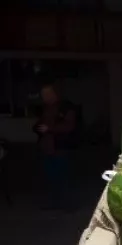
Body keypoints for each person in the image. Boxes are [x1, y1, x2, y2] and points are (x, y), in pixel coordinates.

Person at [33, 79, 78, 210]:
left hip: (61, 148)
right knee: (51, 178)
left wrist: (50, 129)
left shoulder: (67, 107)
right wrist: (38, 128)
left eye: (48, 93)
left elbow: (69, 126)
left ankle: (67, 205)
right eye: (43, 94)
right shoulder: (44, 108)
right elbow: (39, 124)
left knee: (63, 178)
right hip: (47, 148)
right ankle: (54, 203)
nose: (45, 97)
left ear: (55, 93)